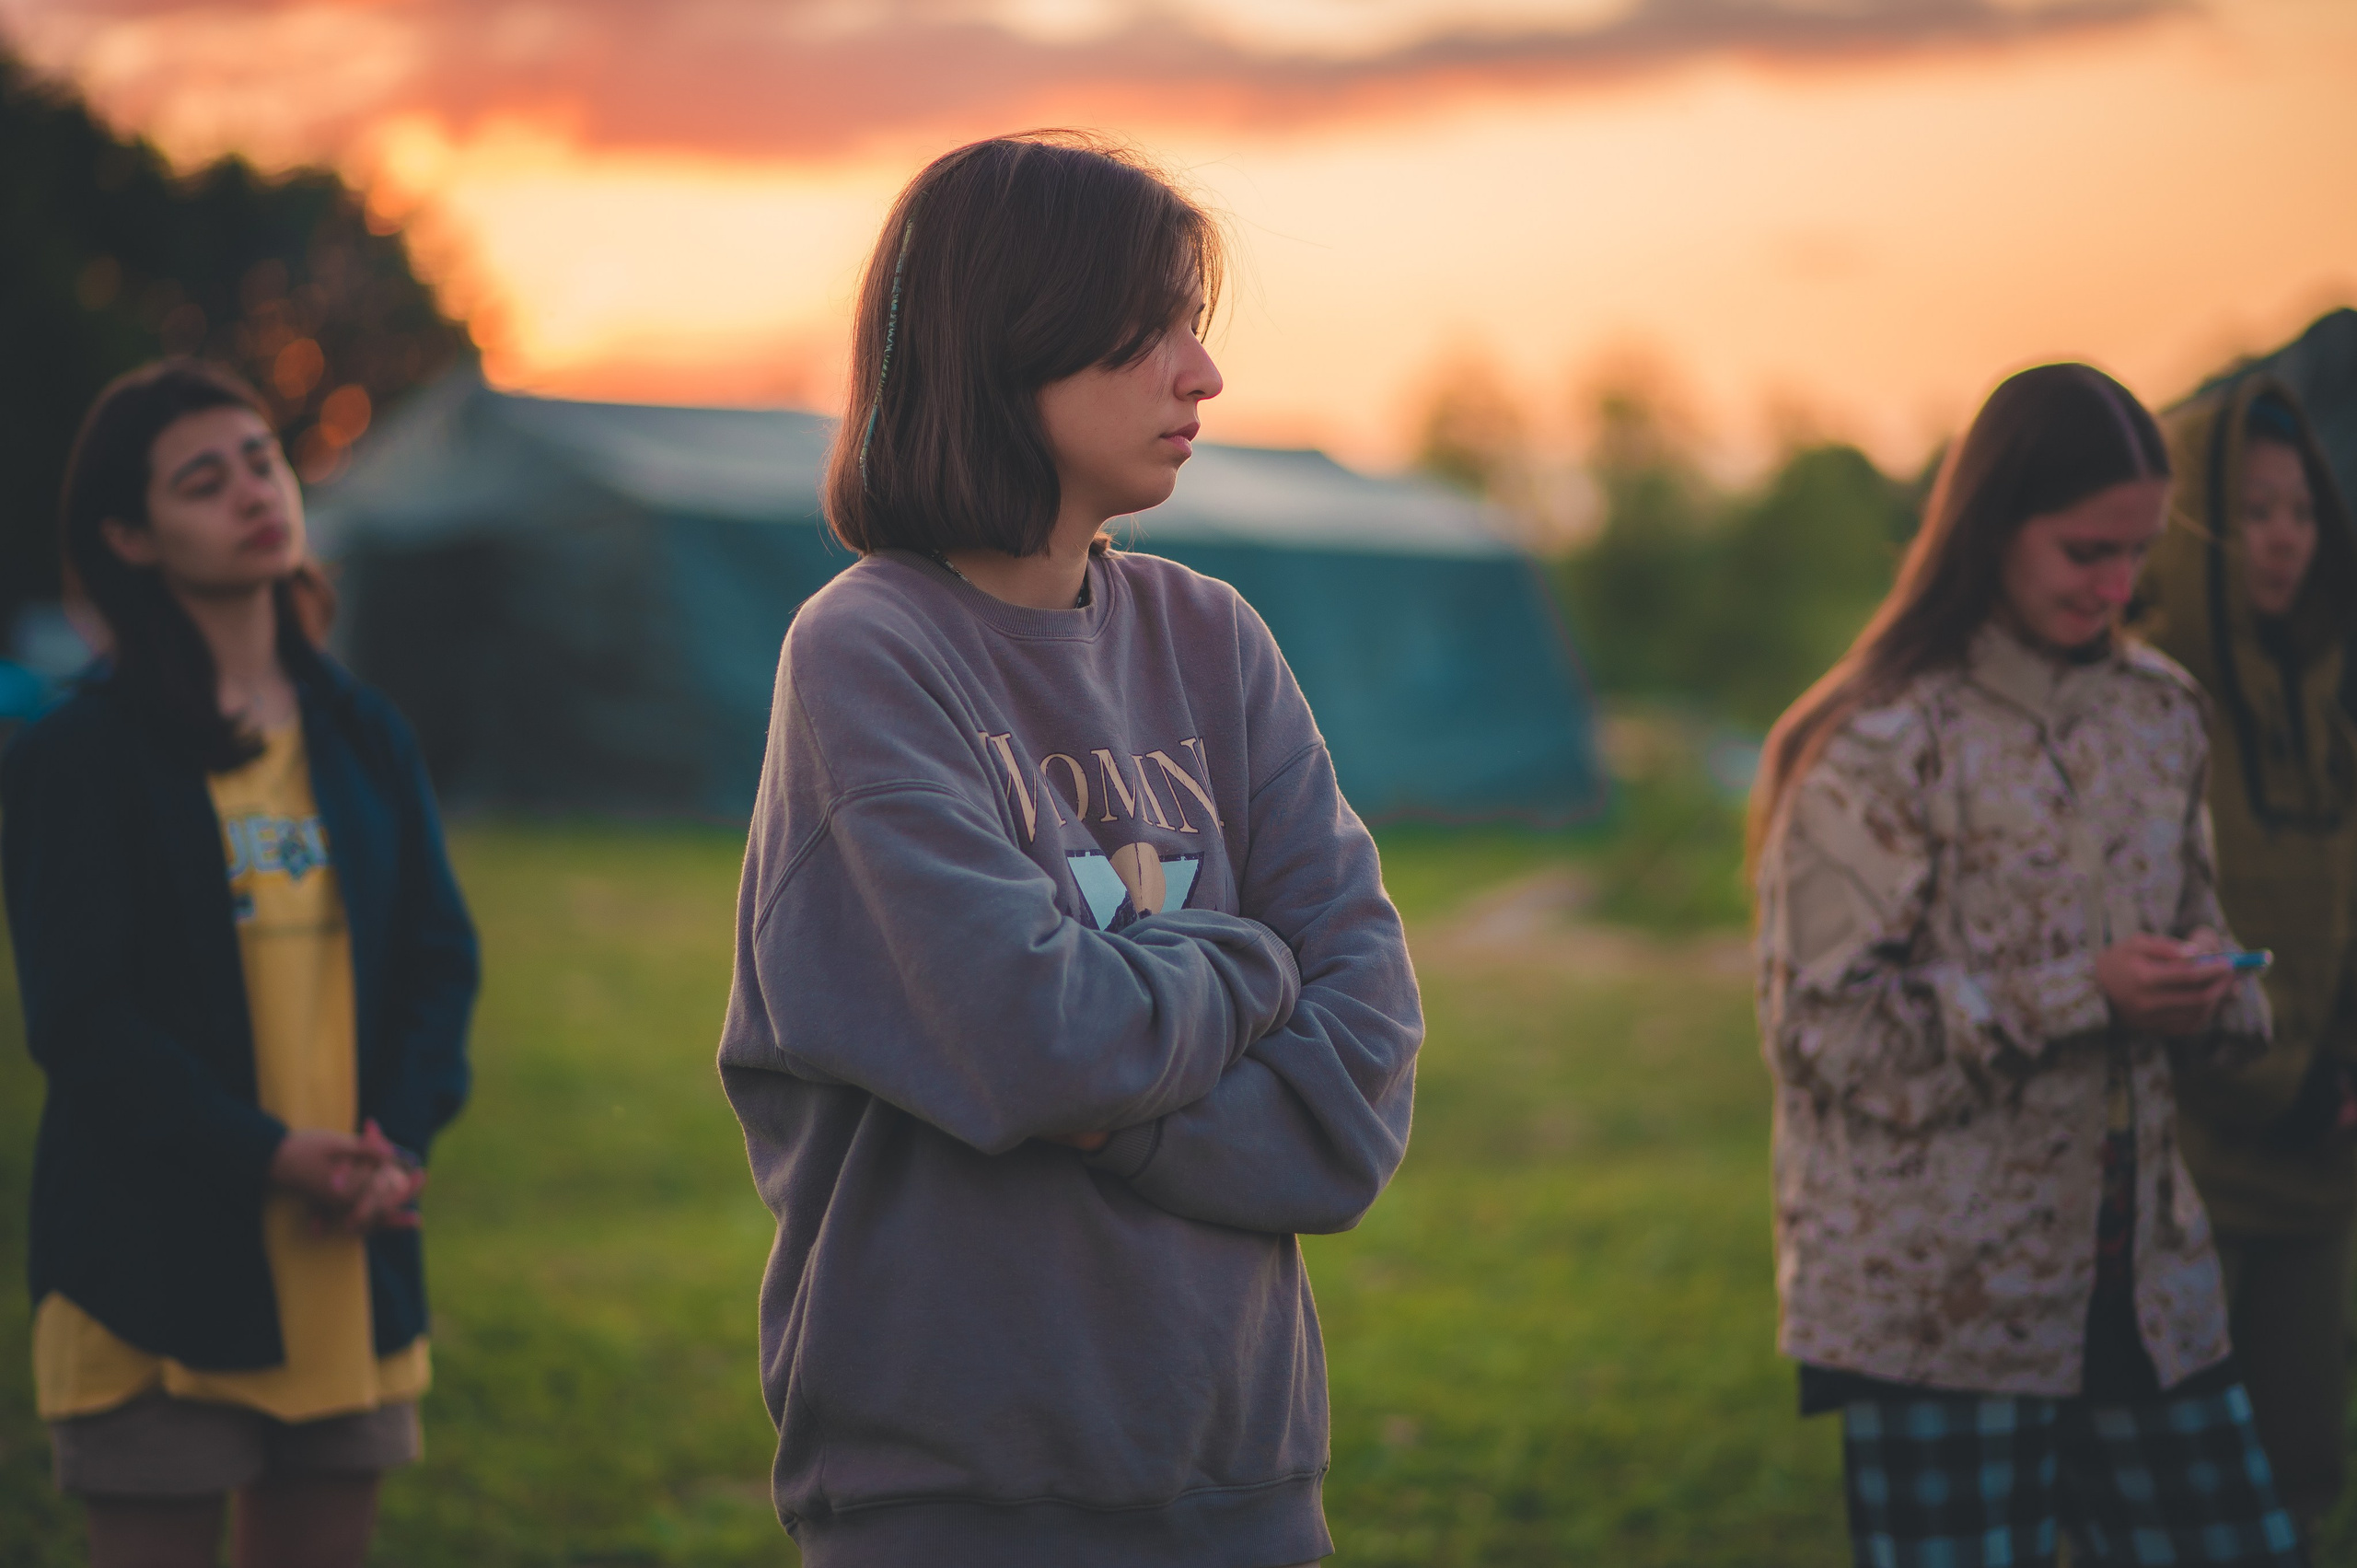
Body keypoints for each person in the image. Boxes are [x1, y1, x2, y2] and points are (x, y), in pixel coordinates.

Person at [716, 131, 1422, 1568]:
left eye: (1197, 326)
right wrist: (1251, 960)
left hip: (1237, 1469)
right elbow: (1036, 1038)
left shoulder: (1214, 638)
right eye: (1154, 326)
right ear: (1011, 334)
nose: (1201, 373)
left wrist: (1113, 1101)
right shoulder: (868, 650)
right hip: (957, 1484)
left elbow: (1358, 1083)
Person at [1750, 362, 2303, 1566]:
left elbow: (2199, 929)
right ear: (1991, 527)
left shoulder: (2162, 712)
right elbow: (1823, 1031)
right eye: (2085, 551)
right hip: (1938, 1309)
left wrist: (2211, 989)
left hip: (2149, 1292)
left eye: (2138, 552)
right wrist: (2081, 992)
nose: (2116, 585)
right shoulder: (1878, 740)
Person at [2, 360, 477, 1568]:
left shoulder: (363, 732)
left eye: (262, 461)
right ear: (129, 535)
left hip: (344, 1255)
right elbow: (83, 1022)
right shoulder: (79, 752)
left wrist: (392, 1142)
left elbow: (439, 960)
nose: (255, 492)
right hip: (154, 1272)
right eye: (204, 482)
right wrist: (268, 1153)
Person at [2128, 377, 2357, 1538]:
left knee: (2297, 1474)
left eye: (2301, 510)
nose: (2282, 537)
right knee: (2165, 1493)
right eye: (2254, 510)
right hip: (2184, 1178)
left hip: (2319, 1164)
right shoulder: (2142, 712)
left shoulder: (2329, 721)